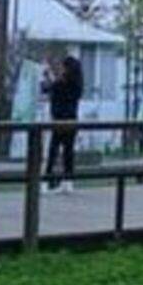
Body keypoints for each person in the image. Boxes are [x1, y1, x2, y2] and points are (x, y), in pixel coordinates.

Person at [42, 55, 84, 193]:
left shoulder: (62, 83)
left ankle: (47, 181)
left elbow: (49, 88)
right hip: (72, 119)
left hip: (59, 119)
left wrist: (47, 74)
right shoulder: (77, 83)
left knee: (53, 150)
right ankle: (68, 181)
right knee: (68, 151)